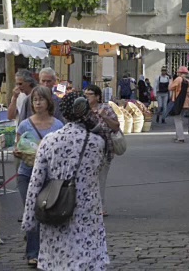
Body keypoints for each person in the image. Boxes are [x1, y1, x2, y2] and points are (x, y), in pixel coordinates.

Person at [21, 91, 109, 271]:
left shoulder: (50, 141)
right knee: (87, 256)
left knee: (58, 258)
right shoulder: (96, 142)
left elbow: (35, 182)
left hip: (56, 204)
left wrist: (29, 219)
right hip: (87, 209)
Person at [14, 86, 64, 268]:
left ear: (48, 102)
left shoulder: (59, 126)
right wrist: (19, 151)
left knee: (47, 214)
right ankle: (33, 253)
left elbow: (62, 152)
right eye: (35, 100)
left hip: (50, 177)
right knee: (33, 212)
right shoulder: (25, 124)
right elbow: (17, 148)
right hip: (27, 174)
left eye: (41, 99)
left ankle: (49, 251)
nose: (37, 103)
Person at [84, 85, 120, 217]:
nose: (87, 96)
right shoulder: (84, 110)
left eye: (90, 94)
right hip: (86, 151)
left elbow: (116, 126)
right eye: (86, 94)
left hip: (104, 150)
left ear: (98, 96)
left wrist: (104, 117)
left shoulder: (105, 108)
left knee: (100, 179)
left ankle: (100, 207)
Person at [169, 66, 189, 143]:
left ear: (180, 73)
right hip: (185, 102)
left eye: (178, 72)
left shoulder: (178, 79)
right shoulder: (188, 81)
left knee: (177, 119)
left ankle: (181, 137)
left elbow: (170, 88)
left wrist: (171, 81)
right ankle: (178, 136)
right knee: (180, 118)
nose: (177, 73)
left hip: (179, 102)